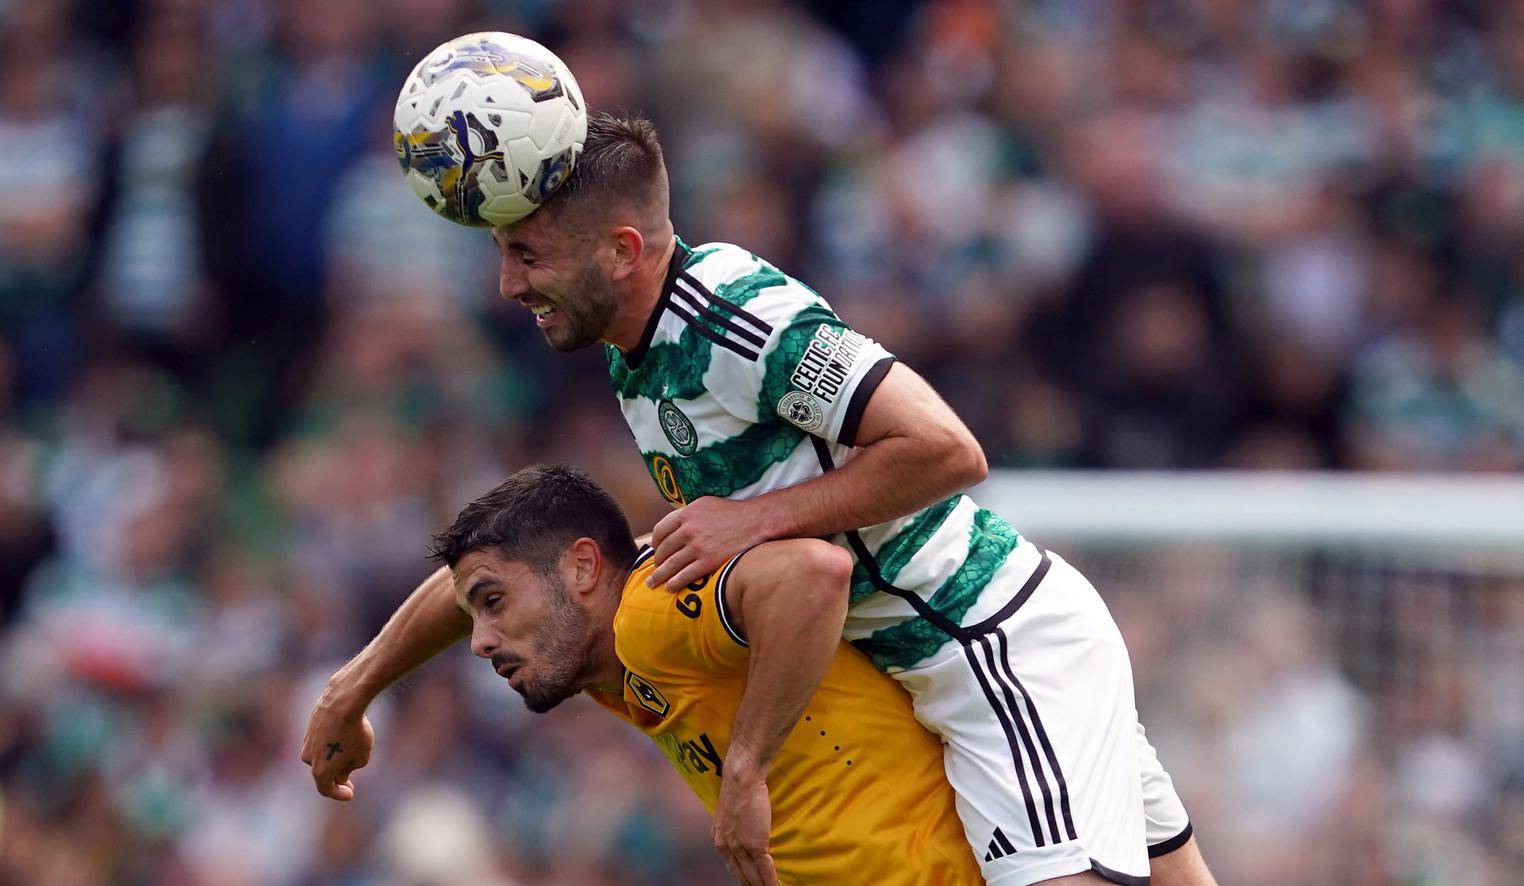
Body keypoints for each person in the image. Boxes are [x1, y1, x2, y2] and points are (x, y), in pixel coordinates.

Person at [303, 113, 1215, 886]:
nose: (508, 284)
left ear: (622, 251)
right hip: (929, 669)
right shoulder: (634, 349)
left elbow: (946, 448)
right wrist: (355, 686)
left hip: (984, 644)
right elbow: (509, 568)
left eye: (528, 254)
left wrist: (756, 524)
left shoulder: (733, 314)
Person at [434, 465, 983, 884]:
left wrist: (744, 773)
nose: (480, 640)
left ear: (582, 567)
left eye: (494, 601)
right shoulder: (607, 665)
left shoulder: (646, 615)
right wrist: (352, 691)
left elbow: (813, 573)